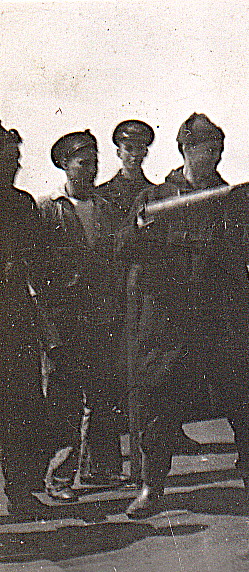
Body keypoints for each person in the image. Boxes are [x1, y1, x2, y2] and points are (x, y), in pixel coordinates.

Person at [122, 113, 249, 520]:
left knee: (246, 402)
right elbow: (123, 251)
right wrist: (142, 229)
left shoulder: (236, 197)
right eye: (205, 150)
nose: (212, 158)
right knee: (157, 404)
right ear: (184, 150)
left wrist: (228, 239)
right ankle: (150, 487)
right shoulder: (154, 198)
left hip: (224, 320)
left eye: (217, 150)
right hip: (170, 324)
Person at [39, 130, 127, 501]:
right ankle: (59, 480)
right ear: (64, 165)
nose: (90, 170)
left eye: (94, 163)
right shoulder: (49, 209)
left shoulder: (106, 208)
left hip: (101, 318)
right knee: (65, 401)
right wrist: (48, 327)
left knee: (103, 397)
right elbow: (36, 271)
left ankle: (102, 471)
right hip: (64, 322)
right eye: (82, 163)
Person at [0, 121, 54, 516]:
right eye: (8, 158)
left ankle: (20, 491)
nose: (15, 165)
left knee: (21, 406)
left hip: (15, 318)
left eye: (16, 158)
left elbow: (38, 259)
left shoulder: (22, 205)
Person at [98, 119, 155, 214]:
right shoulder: (102, 194)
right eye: (128, 148)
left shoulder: (154, 193)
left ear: (145, 152)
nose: (134, 154)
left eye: (140, 148)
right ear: (119, 153)